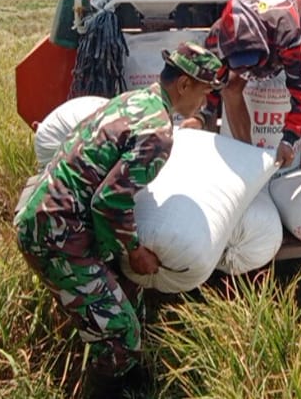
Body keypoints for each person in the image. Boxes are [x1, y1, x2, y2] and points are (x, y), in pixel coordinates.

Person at [13, 42, 225, 397]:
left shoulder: (134, 101)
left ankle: (130, 383)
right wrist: (134, 251)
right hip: (55, 233)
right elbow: (109, 203)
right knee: (120, 335)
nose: (204, 102)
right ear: (184, 85)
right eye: (204, 93)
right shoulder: (157, 133)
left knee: (129, 298)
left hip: (51, 215)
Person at [195, 0, 301, 178]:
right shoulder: (216, 38)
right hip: (266, 20)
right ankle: (247, 155)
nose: (250, 71)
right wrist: (202, 116)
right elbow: (212, 83)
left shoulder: (285, 32)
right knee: (231, 86)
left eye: (253, 61)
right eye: (241, 64)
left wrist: (289, 139)